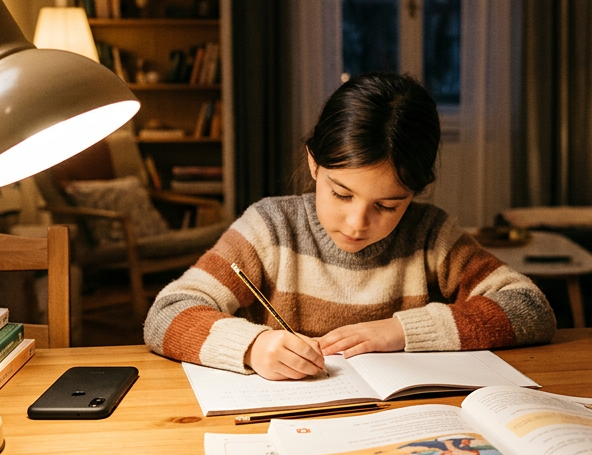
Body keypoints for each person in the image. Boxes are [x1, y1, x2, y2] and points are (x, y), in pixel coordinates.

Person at [145, 72, 555, 380]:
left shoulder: (429, 235)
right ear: (313, 163)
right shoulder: (270, 228)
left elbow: (530, 308)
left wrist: (403, 330)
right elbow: (165, 314)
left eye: (388, 205)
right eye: (341, 195)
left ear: (414, 193)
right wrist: (253, 346)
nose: (358, 223)